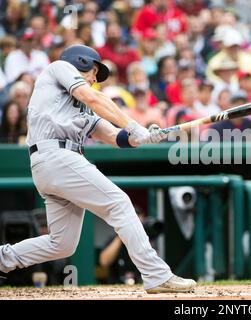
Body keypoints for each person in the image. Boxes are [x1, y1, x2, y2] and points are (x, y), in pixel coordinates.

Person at [0, 44, 196, 294]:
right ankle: (156, 275)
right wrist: (134, 125)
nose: (94, 79)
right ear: (78, 62)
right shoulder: (59, 69)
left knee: (62, 244)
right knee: (119, 203)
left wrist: (144, 137)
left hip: (52, 163)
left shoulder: (79, 108)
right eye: (93, 71)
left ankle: (2, 260)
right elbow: (93, 97)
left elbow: (115, 136)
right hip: (56, 155)